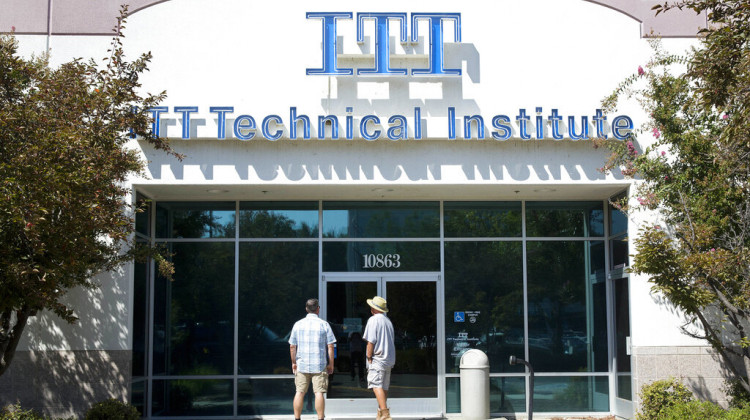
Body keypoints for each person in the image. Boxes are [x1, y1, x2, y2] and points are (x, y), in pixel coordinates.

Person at [289, 298, 336, 420]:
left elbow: (292, 346)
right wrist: (331, 364)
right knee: (319, 393)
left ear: (306, 309)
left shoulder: (298, 324)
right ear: (318, 309)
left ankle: (297, 418)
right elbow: (330, 346)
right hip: (319, 365)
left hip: (302, 365)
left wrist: (294, 363)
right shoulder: (324, 324)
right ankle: (320, 418)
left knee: (299, 392)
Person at [363, 296, 395, 420]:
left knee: (376, 385)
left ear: (373, 308)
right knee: (383, 387)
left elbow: (371, 341)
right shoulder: (388, 321)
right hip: (389, 359)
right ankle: (380, 413)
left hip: (378, 358)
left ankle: (385, 414)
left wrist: (368, 356)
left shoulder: (373, 320)